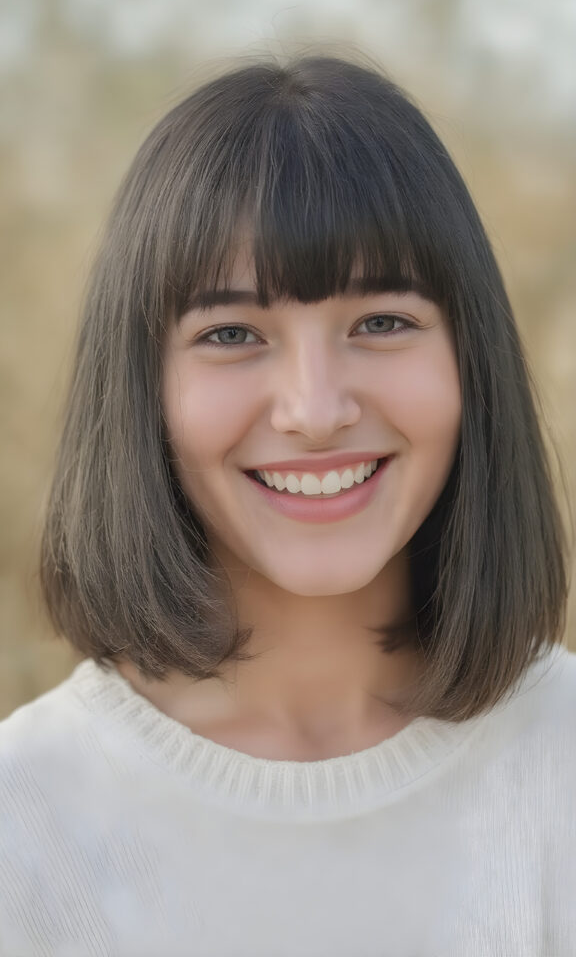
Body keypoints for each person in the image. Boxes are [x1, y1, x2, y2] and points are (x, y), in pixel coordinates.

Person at [0, 53, 574, 957]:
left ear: (474, 359)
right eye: (231, 335)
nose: (315, 411)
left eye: (381, 322)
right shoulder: (23, 819)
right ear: (142, 388)